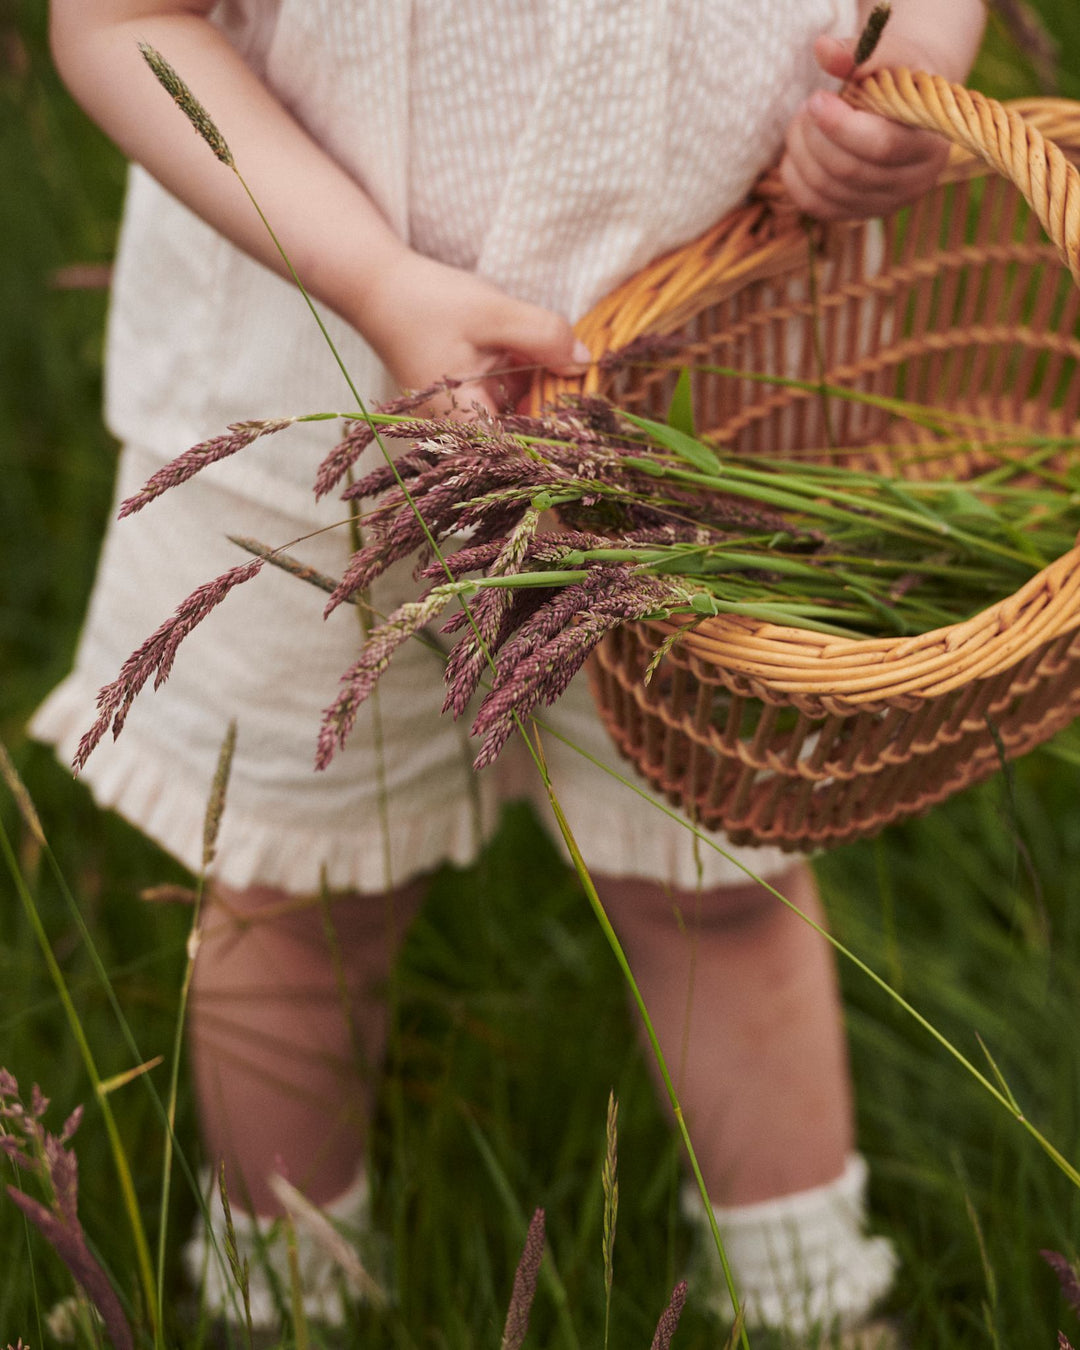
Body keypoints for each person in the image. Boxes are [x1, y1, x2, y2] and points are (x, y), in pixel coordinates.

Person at [37, 0, 985, 1341]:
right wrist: (372, 275)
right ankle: (286, 1302)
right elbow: (120, 22)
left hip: (705, 417)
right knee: (298, 897)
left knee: (725, 882)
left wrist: (919, 67)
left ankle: (808, 1306)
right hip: (312, 420)